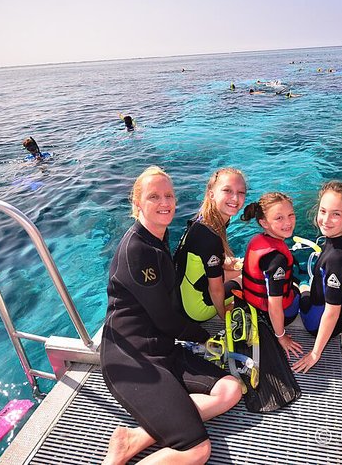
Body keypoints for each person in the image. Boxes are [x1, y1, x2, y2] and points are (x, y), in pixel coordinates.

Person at [100, 166, 242, 465]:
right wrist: (205, 338)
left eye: (169, 196)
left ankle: (136, 437)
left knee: (230, 390)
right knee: (197, 451)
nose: (165, 203)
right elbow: (165, 318)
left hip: (163, 348)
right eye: (154, 197)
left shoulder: (156, 237)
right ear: (137, 202)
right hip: (133, 361)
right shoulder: (138, 249)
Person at [293, 181, 342, 373]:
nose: (325, 220)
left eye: (336, 214)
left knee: (297, 286)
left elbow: (332, 312)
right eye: (323, 211)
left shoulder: (335, 259)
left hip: (316, 323)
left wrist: (315, 354)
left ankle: (301, 284)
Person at [174, 168, 247, 321]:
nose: (235, 198)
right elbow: (216, 289)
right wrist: (223, 314)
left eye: (241, 192)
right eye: (227, 190)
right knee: (253, 278)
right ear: (211, 194)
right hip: (197, 308)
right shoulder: (209, 237)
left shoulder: (204, 220)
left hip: (184, 296)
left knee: (243, 267)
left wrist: (233, 265)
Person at [240, 193, 303, 359]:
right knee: (302, 293)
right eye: (279, 218)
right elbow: (274, 304)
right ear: (264, 222)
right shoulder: (277, 259)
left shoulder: (258, 240)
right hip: (273, 314)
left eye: (291, 215)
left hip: (253, 304)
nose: (288, 222)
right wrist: (281, 337)